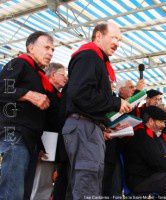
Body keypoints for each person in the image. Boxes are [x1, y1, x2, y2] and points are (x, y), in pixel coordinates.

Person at [61, 21, 131, 199]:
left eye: (119, 40)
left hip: (90, 127)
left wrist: (107, 124)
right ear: (98, 36)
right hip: (84, 127)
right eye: (114, 37)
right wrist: (116, 103)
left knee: (87, 182)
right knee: (87, 183)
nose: (117, 43)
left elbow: (86, 97)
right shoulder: (89, 56)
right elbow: (81, 94)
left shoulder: (95, 59)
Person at [0, 31, 54, 199]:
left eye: (53, 49)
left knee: (23, 193)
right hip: (15, 135)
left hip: (29, 140)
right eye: (46, 47)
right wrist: (30, 95)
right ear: (31, 47)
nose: (51, 53)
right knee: (12, 192)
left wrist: (39, 145)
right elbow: (2, 89)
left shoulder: (38, 75)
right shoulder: (18, 63)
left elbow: (33, 115)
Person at [30, 63, 68, 200]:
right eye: (63, 74)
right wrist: (39, 145)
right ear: (53, 75)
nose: (66, 78)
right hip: (45, 141)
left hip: (53, 143)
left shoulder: (57, 95)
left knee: (46, 183)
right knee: (40, 182)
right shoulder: (44, 92)